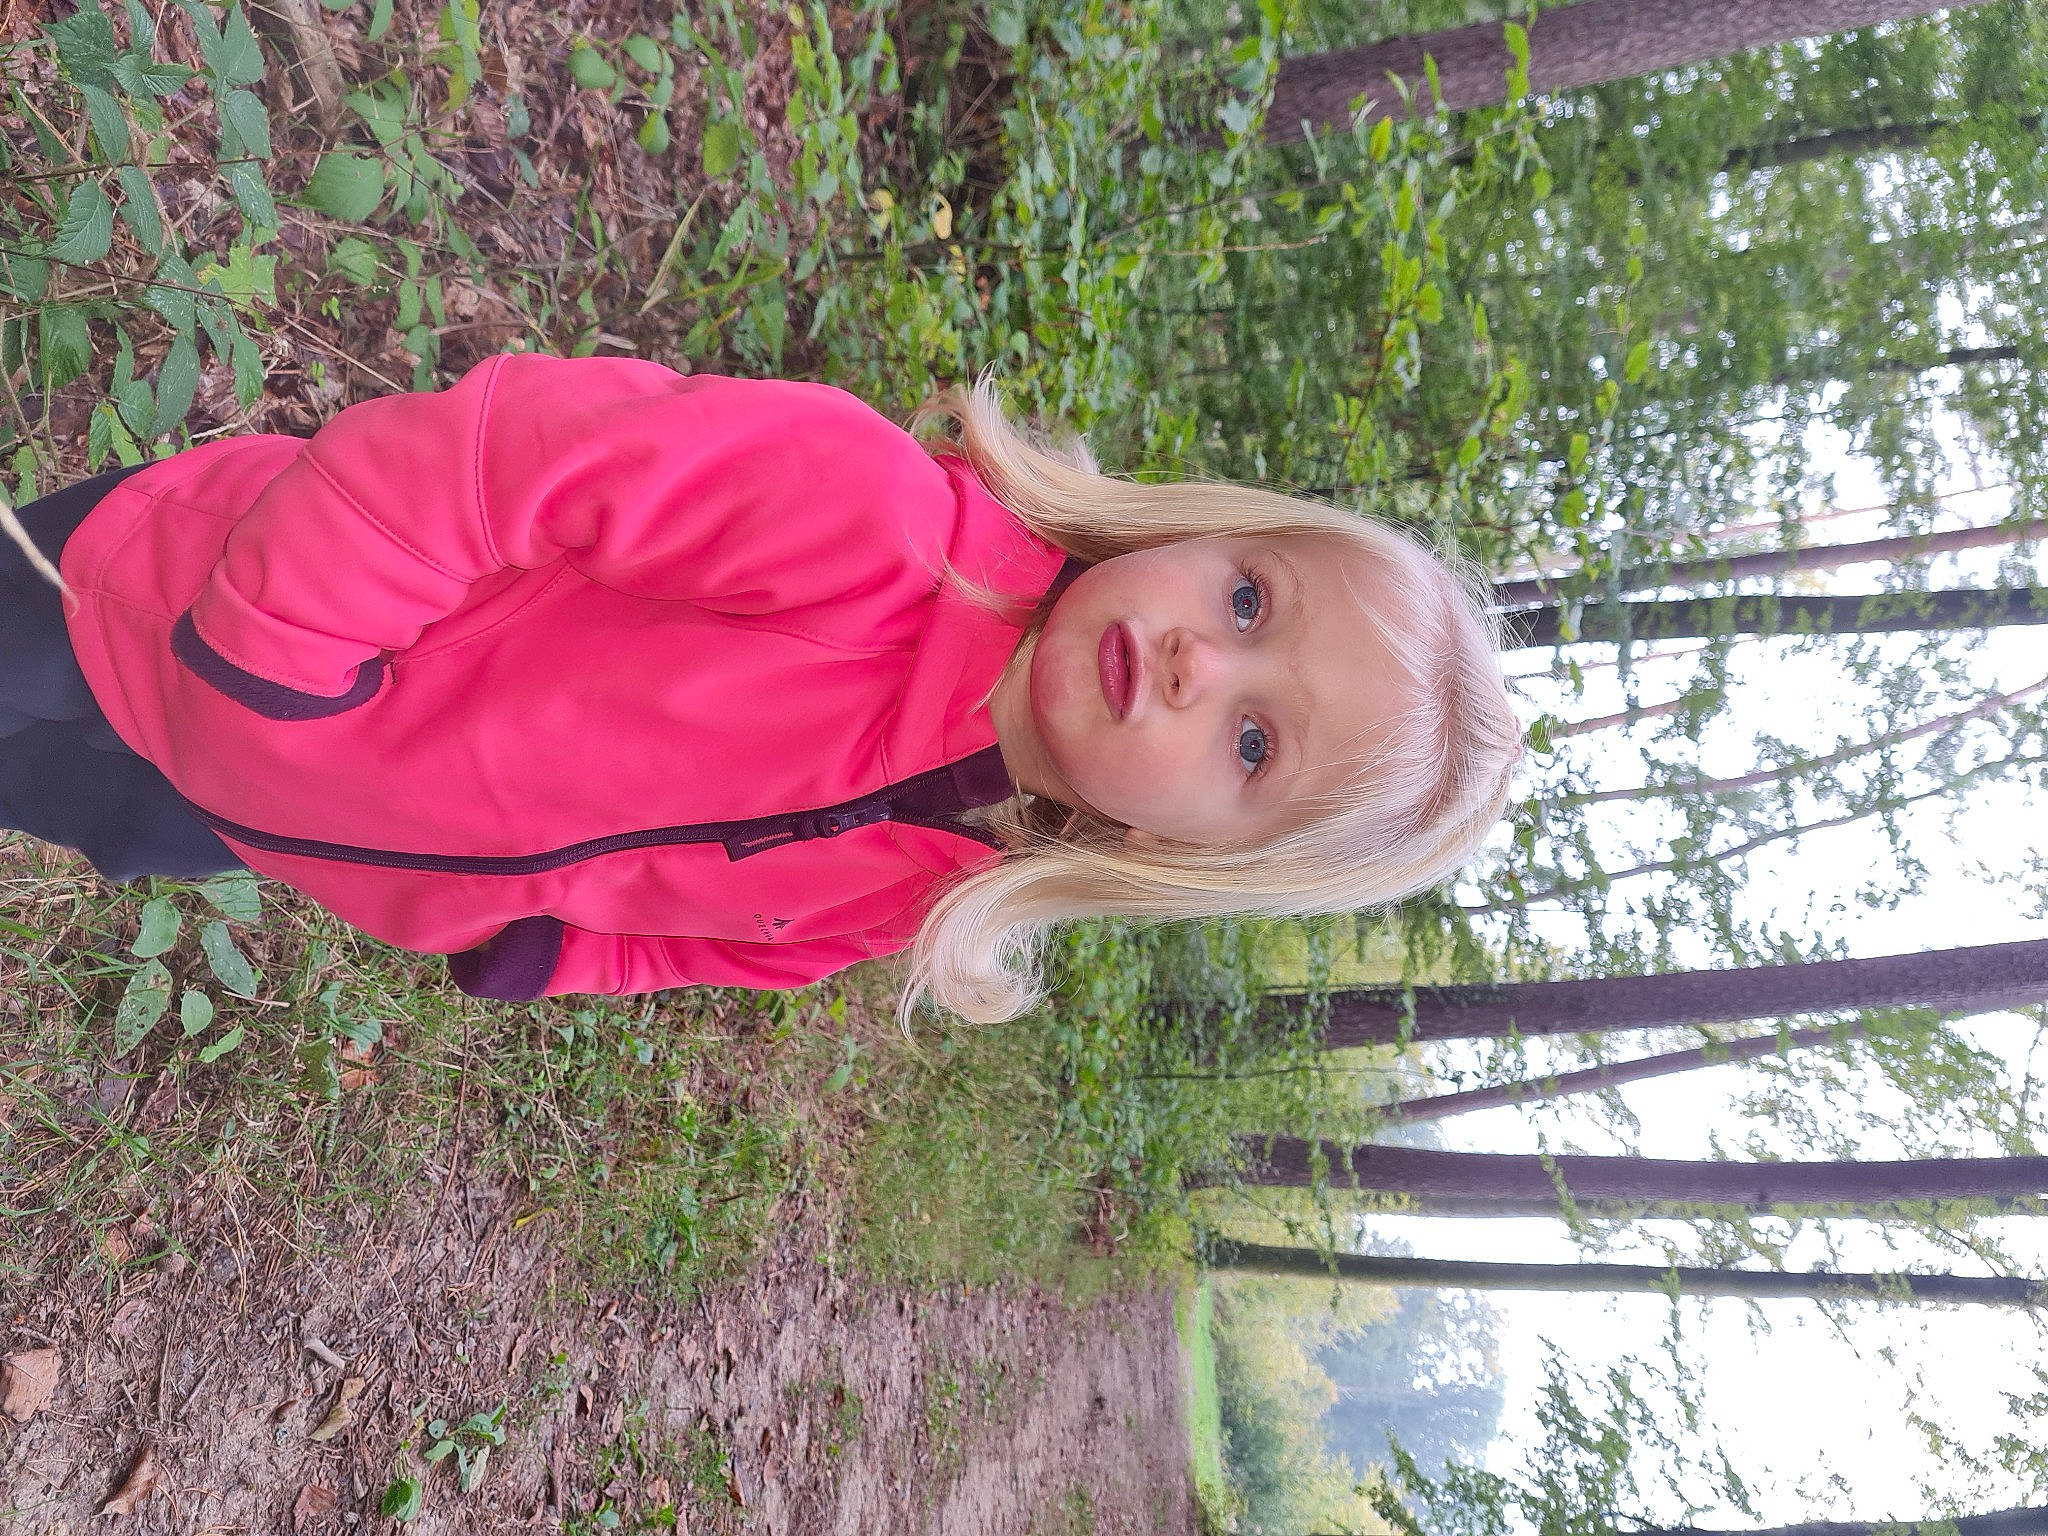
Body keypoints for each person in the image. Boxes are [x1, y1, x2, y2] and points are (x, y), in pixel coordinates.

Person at [0, 352, 1521, 1023]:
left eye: (1253, 738)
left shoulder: (918, 890)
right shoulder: (870, 526)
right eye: (1248, 598)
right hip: (166, 606)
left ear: (1190, 855)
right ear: (1198, 533)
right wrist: (279, 644)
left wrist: (551, 956)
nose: (1202, 657)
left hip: (257, 818)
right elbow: (500, 456)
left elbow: (721, 952)